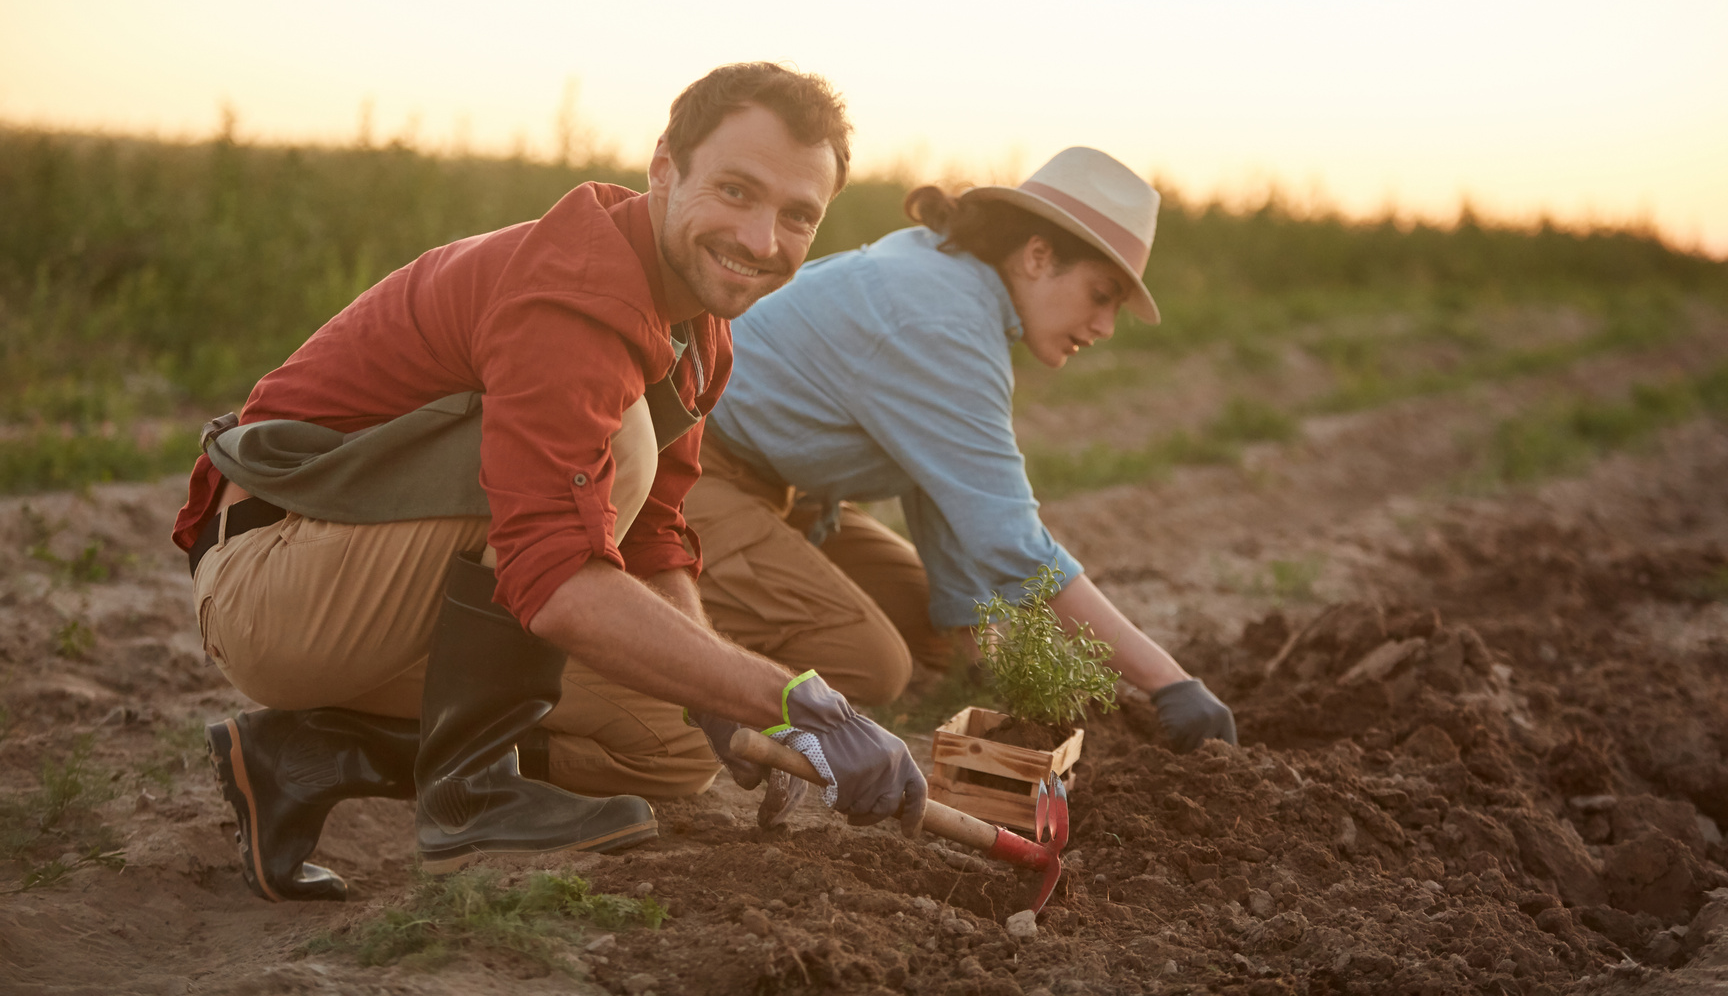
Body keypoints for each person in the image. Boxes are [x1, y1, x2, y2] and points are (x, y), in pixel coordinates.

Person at [174, 63, 926, 903]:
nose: (762, 240)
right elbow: (557, 575)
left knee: (670, 745)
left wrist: (726, 702)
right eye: (737, 192)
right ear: (663, 169)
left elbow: (654, 533)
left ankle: (302, 755)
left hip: (362, 583)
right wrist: (794, 699)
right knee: (623, 441)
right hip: (273, 576)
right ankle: (468, 794)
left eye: (797, 216)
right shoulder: (577, 294)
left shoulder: (700, 328)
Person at [686, 146, 1237, 749]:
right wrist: (1170, 685)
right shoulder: (942, 321)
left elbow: (939, 483)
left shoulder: (953, 281)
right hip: (690, 469)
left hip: (782, 489)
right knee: (871, 664)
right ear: (1037, 255)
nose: (1105, 326)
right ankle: (657, 647)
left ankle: (734, 602)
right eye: (1100, 295)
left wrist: (980, 659)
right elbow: (1013, 545)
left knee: (931, 634)